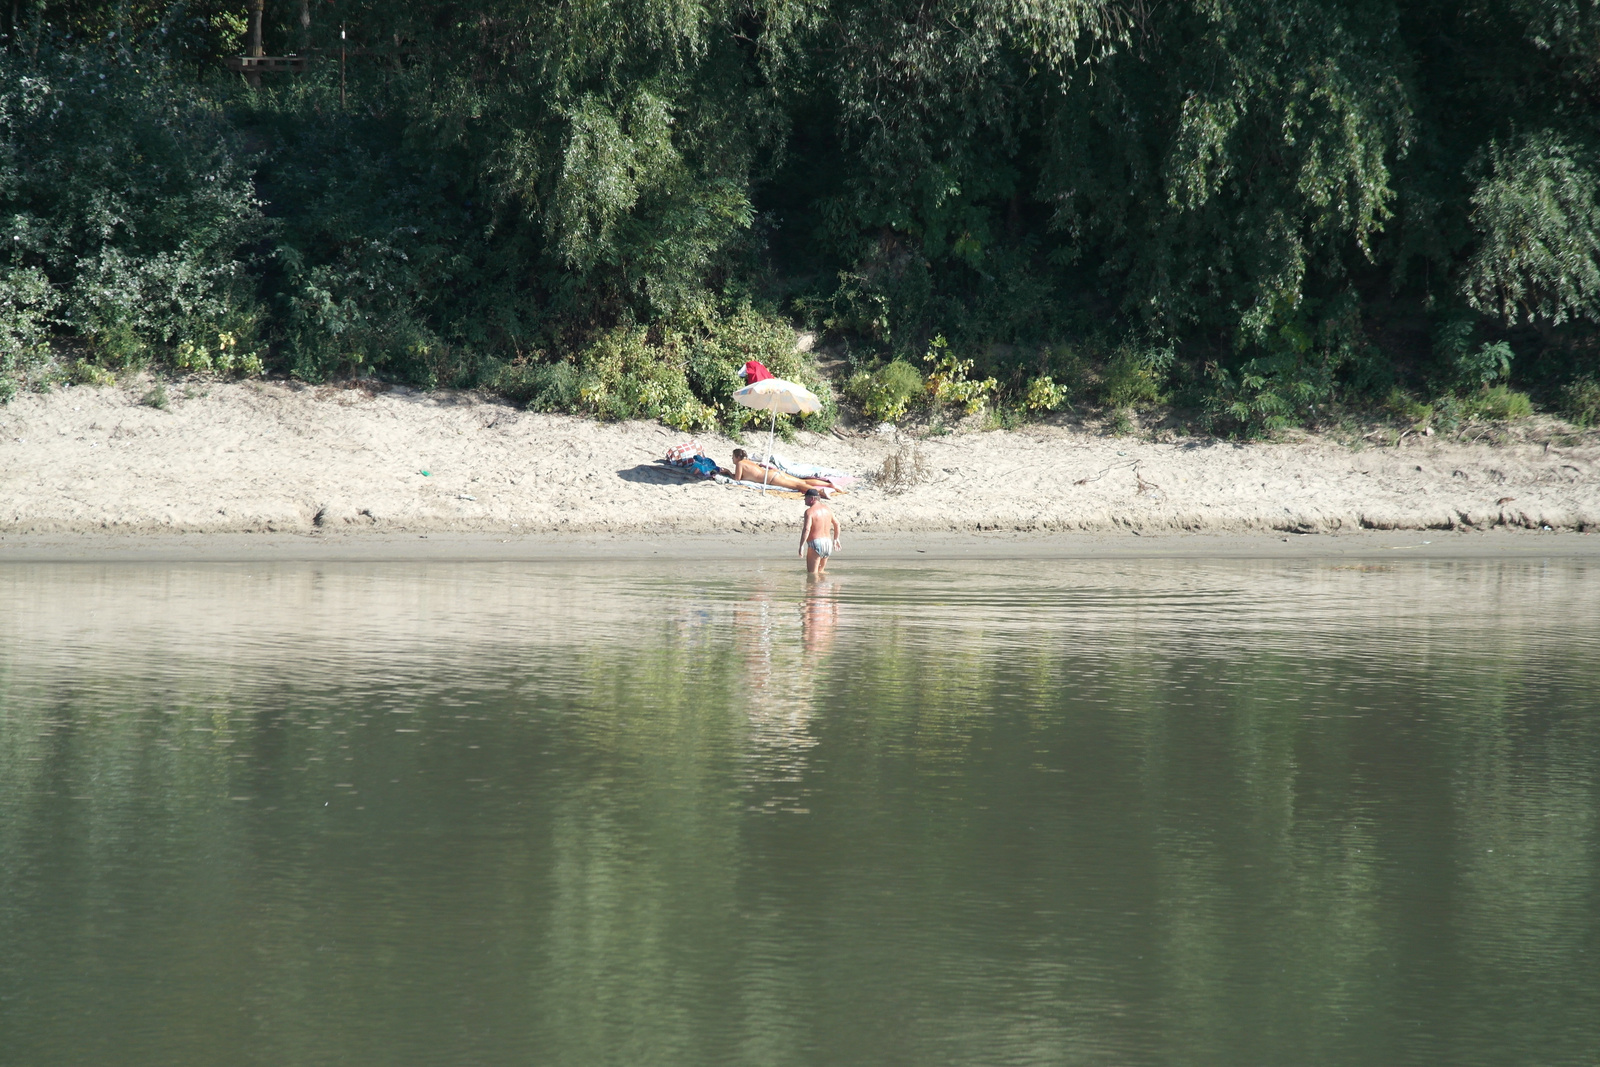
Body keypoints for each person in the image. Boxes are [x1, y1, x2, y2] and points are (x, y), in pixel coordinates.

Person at [729, 449, 832, 493]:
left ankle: (819, 491)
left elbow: (737, 479)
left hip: (771, 478)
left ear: (738, 457)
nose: (732, 459)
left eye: (733, 457)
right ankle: (830, 485)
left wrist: (728, 473)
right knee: (802, 481)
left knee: (798, 486)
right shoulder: (748, 461)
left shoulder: (740, 464)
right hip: (774, 472)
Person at [799, 488, 841, 575]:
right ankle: (825, 587)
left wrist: (801, 545)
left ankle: (813, 588)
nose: (804, 500)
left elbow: (807, 529)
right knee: (821, 572)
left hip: (816, 543)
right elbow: (837, 523)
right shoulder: (827, 509)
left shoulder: (809, 512)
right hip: (828, 543)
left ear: (812, 498)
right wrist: (836, 538)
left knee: (812, 574)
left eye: (806, 497)